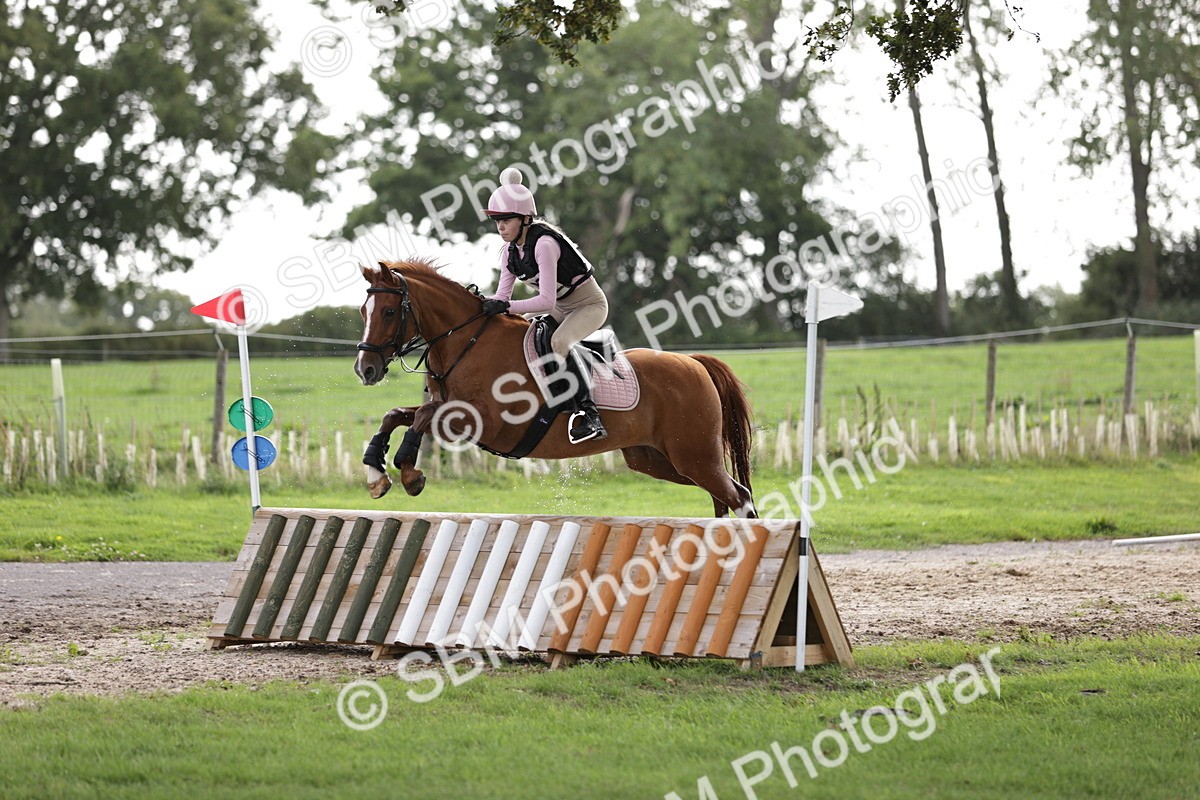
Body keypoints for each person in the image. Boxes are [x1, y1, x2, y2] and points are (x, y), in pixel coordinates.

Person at [481, 167, 610, 444]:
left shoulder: (545, 244)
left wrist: (504, 307)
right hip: (559, 306)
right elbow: (503, 297)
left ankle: (589, 415)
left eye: (506, 220)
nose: (500, 226)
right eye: (497, 221)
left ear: (526, 219)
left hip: (589, 305)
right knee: (520, 334)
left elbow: (545, 301)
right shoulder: (509, 253)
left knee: (560, 341)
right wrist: (480, 304)